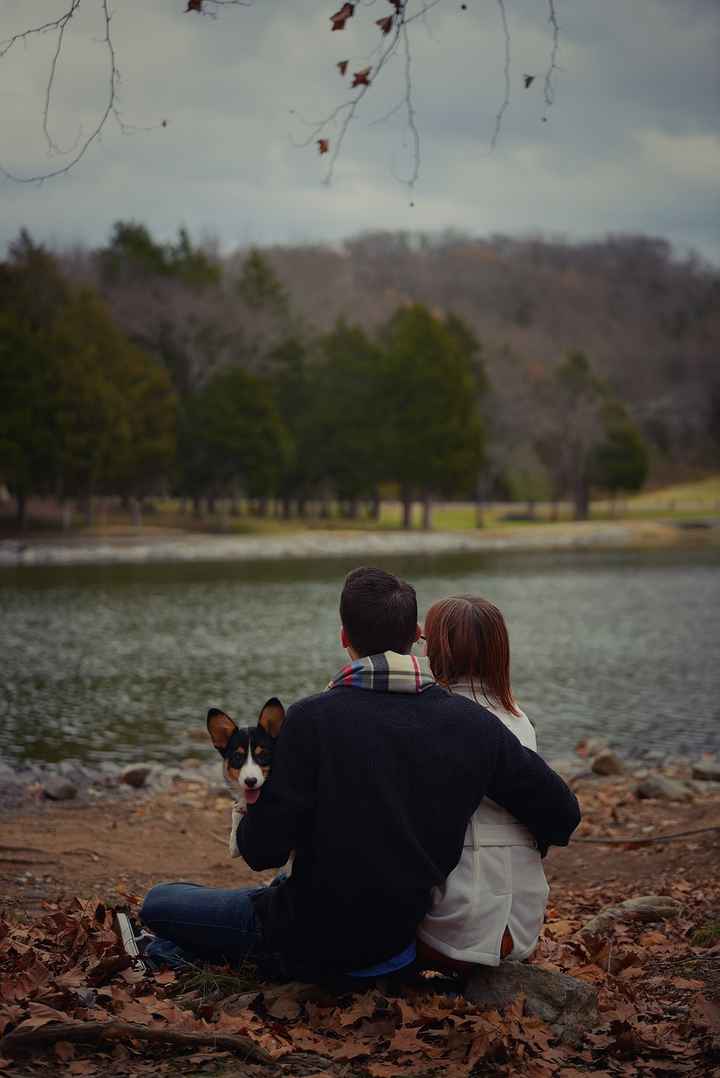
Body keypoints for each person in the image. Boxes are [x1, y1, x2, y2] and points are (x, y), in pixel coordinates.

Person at [140, 567, 580, 983]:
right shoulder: (471, 723)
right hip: (398, 942)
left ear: (344, 636)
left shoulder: (310, 719)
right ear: (415, 638)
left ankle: (184, 955)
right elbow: (562, 815)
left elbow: (261, 851)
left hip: (311, 938)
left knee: (159, 902)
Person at [417, 595, 548, 972]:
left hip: (455, 930)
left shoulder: (430, 720)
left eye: (426, 642)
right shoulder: (519, 719)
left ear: (437, 651)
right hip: (523, 925)